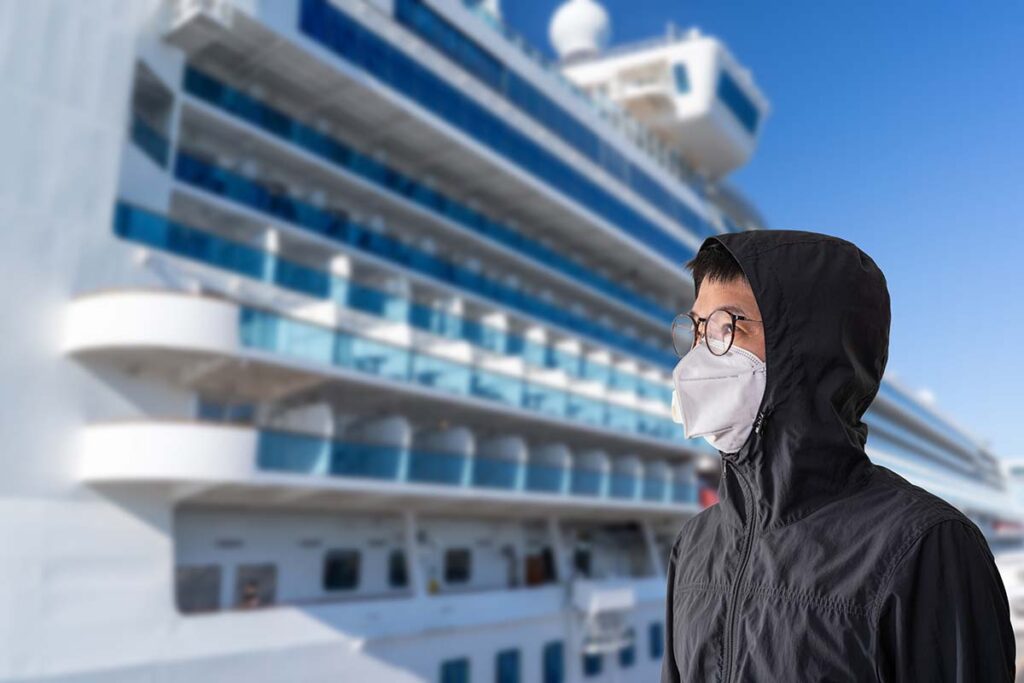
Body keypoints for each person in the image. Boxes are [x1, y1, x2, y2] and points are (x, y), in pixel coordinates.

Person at [660, 230, 1015, 682]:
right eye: (697, 328)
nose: (697, 358)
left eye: (728, 327)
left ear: (806, 349)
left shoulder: (925, 546)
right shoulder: (694, 546)